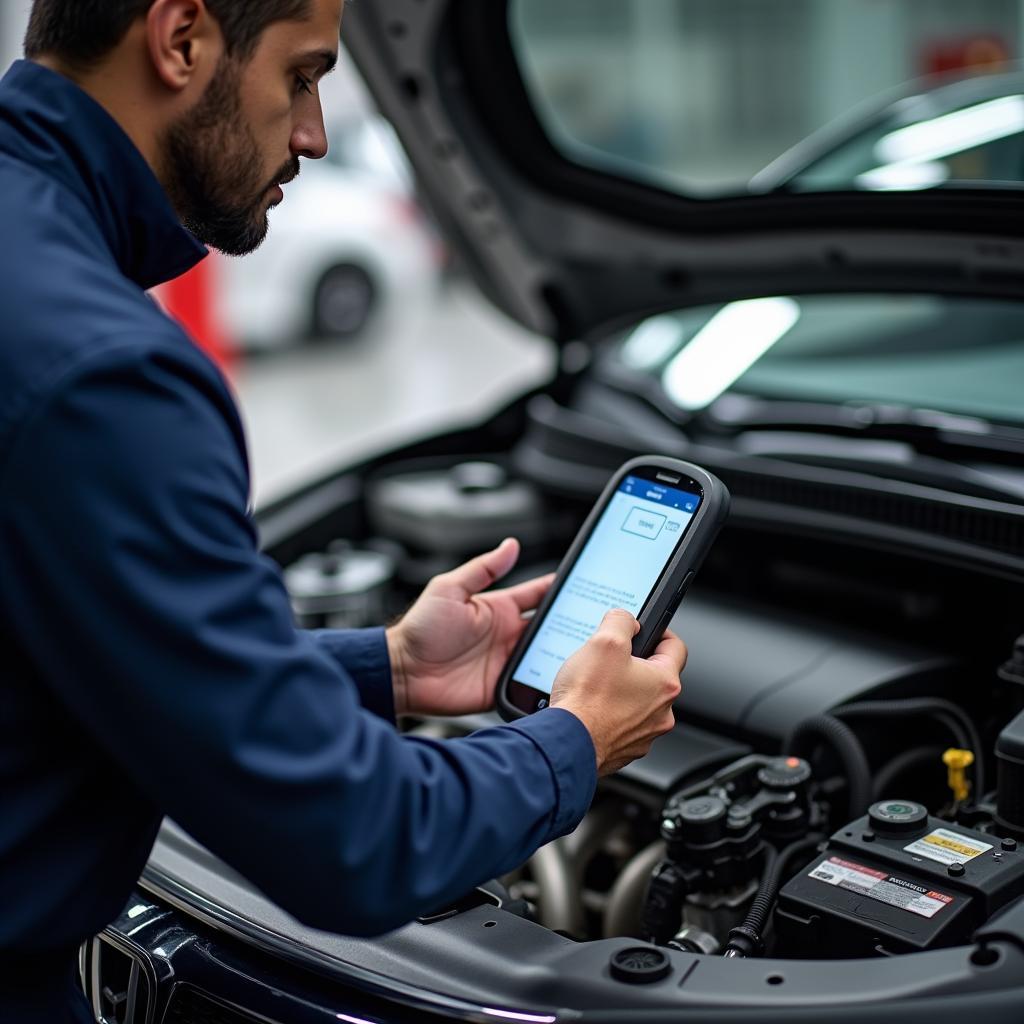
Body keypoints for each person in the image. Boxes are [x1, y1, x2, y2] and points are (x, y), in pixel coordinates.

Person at [0, 2, 687, 1021]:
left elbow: (61, 660)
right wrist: (576, 738)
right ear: (182, 37)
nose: (316, 133)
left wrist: (392, 666)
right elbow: (353, 841)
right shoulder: (107, 373)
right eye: (302, 76)